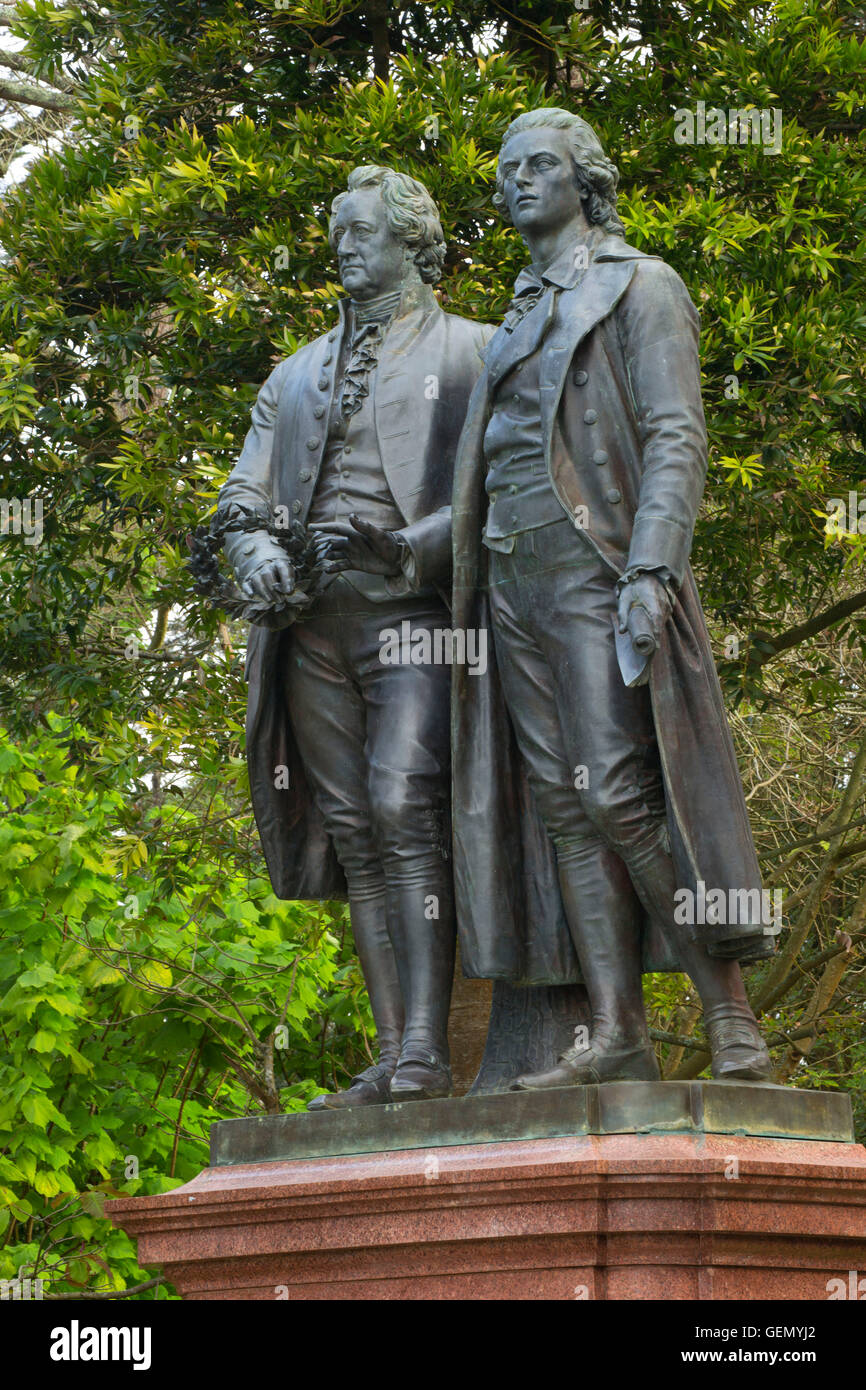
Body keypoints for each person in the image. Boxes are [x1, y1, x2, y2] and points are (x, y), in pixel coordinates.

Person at [217, 165, 491, 1107]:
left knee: (403, 804)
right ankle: (395, 1055)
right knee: (357, 834)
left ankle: (426, 1049)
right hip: (310, 634)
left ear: (416, 242)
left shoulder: (474, 354)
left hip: (416, 621)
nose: (343, 245)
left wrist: (409, 549)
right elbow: (242, 498)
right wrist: (254, 551)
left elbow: (501, 493)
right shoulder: (292, 375)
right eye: (337, 232)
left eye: (363, 231)